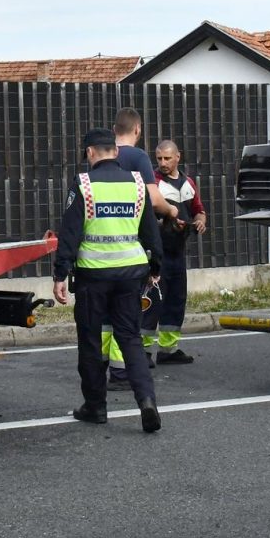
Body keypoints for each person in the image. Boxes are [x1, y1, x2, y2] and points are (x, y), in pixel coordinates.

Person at [53, 128, 163, 433]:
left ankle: (96, 407)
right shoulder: (138, 184)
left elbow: (70, 234)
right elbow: (150, 231)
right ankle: (147, 402)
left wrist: (60, 274)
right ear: (115, 151)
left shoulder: (84, 184)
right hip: (131, 274)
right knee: (130, 338)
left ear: (90, 153)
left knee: (90, 341)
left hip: (93, 276)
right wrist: (156, 267)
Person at [103, 107, 185, 389]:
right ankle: (121, 370)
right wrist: (172, 210)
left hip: (101, 244)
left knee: (104, 309)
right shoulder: (137, 157)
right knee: (129, 308)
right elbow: (152, 199)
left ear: (115, 131)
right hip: (131, 242)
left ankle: (101, 363)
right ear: (137, 130)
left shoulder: (101, 155)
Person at [142, 139, 206, 364]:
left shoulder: (188, 183)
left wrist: (200, 222)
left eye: (167, 158)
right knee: (152, 301)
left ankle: (169, 349)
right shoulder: (153, 184)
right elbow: (145, 217)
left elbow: (199, 211)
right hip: (157, 253)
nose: (162, 163)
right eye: (159, 158)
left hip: (178, 252)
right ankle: (144, 351)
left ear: (178, 157)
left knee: (176, 300)